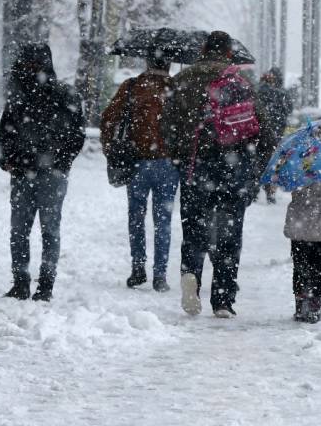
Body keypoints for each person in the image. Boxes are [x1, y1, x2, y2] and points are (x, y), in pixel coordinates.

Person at [161, 30, 262, 318]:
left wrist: (179, 157)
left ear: (203, 49)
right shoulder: (241, 83)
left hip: (196, 169)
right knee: (229, 233)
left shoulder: (182, 81)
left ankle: (191, 274)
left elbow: (167, 126)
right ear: (229, 53)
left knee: (194, 229)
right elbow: (261, 127)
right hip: (234, 169)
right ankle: (223, 299)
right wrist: (253, 166)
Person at [0, 43, 86, 302]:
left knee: (21, 230)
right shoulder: (64, 95)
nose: (25, 69)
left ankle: (25, 282)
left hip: (29, 172)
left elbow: (6, 133)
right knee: (47, 230)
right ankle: (42, 285)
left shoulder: (20, 96)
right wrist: (62, 161)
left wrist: (10, 161)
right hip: (46, 173)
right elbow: (76, 135)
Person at [101, 49, 178, 292]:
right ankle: (160, 274)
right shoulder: (177, 89)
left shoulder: (133, 86)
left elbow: (108, 119)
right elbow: (190, 126)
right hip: (168, 164)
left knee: (136, 216)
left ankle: (137, 267)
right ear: (170, 63)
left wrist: (112, 150)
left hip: (137, 162)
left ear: (147, 60)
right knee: (162, 220)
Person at [284, 178, 321, 323]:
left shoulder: (296, 167)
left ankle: (301, 304)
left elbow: (290, 189)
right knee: (318, 269)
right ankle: (314, 305)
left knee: (300, 267)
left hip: (298, 223)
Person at [256, 68, 293, 204]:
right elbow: (289, 109)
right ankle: (270, 192)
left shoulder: (258, 92)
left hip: (259, 133)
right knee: (274, 162)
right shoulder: (282, 94)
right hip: (276, 133)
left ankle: (254, 188)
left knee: (258, 160)